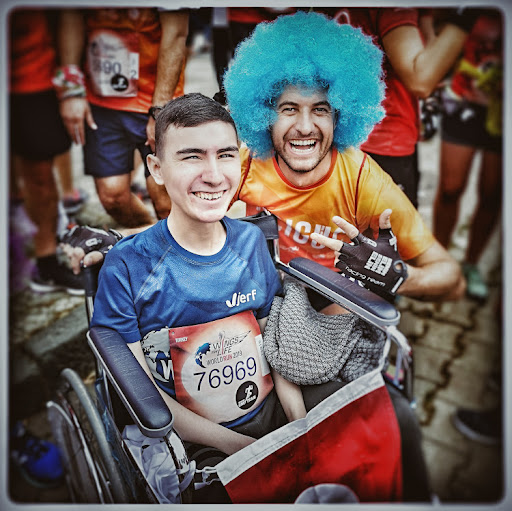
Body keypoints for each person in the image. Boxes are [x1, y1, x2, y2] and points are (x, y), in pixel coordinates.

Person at [90, 94, 307, 501]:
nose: (213, 175)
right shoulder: (127, 267)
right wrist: (240, 448)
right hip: (195, 444)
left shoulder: (251, 242)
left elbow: (275, 348)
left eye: (225, 155)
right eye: (191, 156)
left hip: (271, 411)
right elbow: (143, 393)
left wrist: (299, 424)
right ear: (156, 169)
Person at [223, 11, 465, 307]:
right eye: (289, 109)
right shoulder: (247, 163)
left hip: (337, 298)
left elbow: (451, 279)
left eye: (320, 109)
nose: (305, 127)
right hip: (270, 291)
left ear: (339, 116)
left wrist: (393, 276)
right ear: (265, 114)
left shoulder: (363, 181)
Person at [316, 7, 475, 207]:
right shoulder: (393, 8)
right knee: (384, 225)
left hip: (344, 135)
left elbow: (433, 66)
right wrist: (467, 13)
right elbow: (421, 80)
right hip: (382, 142)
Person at [56, 7, 189, 228]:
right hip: (101, 99)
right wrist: (71, 90)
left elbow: (177, 32)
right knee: (113, 197)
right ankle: (151, 238)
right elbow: (71, 14)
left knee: (165, 202)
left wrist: (159, 110)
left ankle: (176, 245)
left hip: (154, 97)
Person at [9, 8, 83, 294]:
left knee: (40, 176)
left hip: (34, 79)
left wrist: (71, 88)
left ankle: (47, 263)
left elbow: (69, 13)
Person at [433, 9, 502, 301]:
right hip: (462, 100)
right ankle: (437, 260)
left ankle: (471, 265)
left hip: (504, 109)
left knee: (492, 192)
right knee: (451, 188)